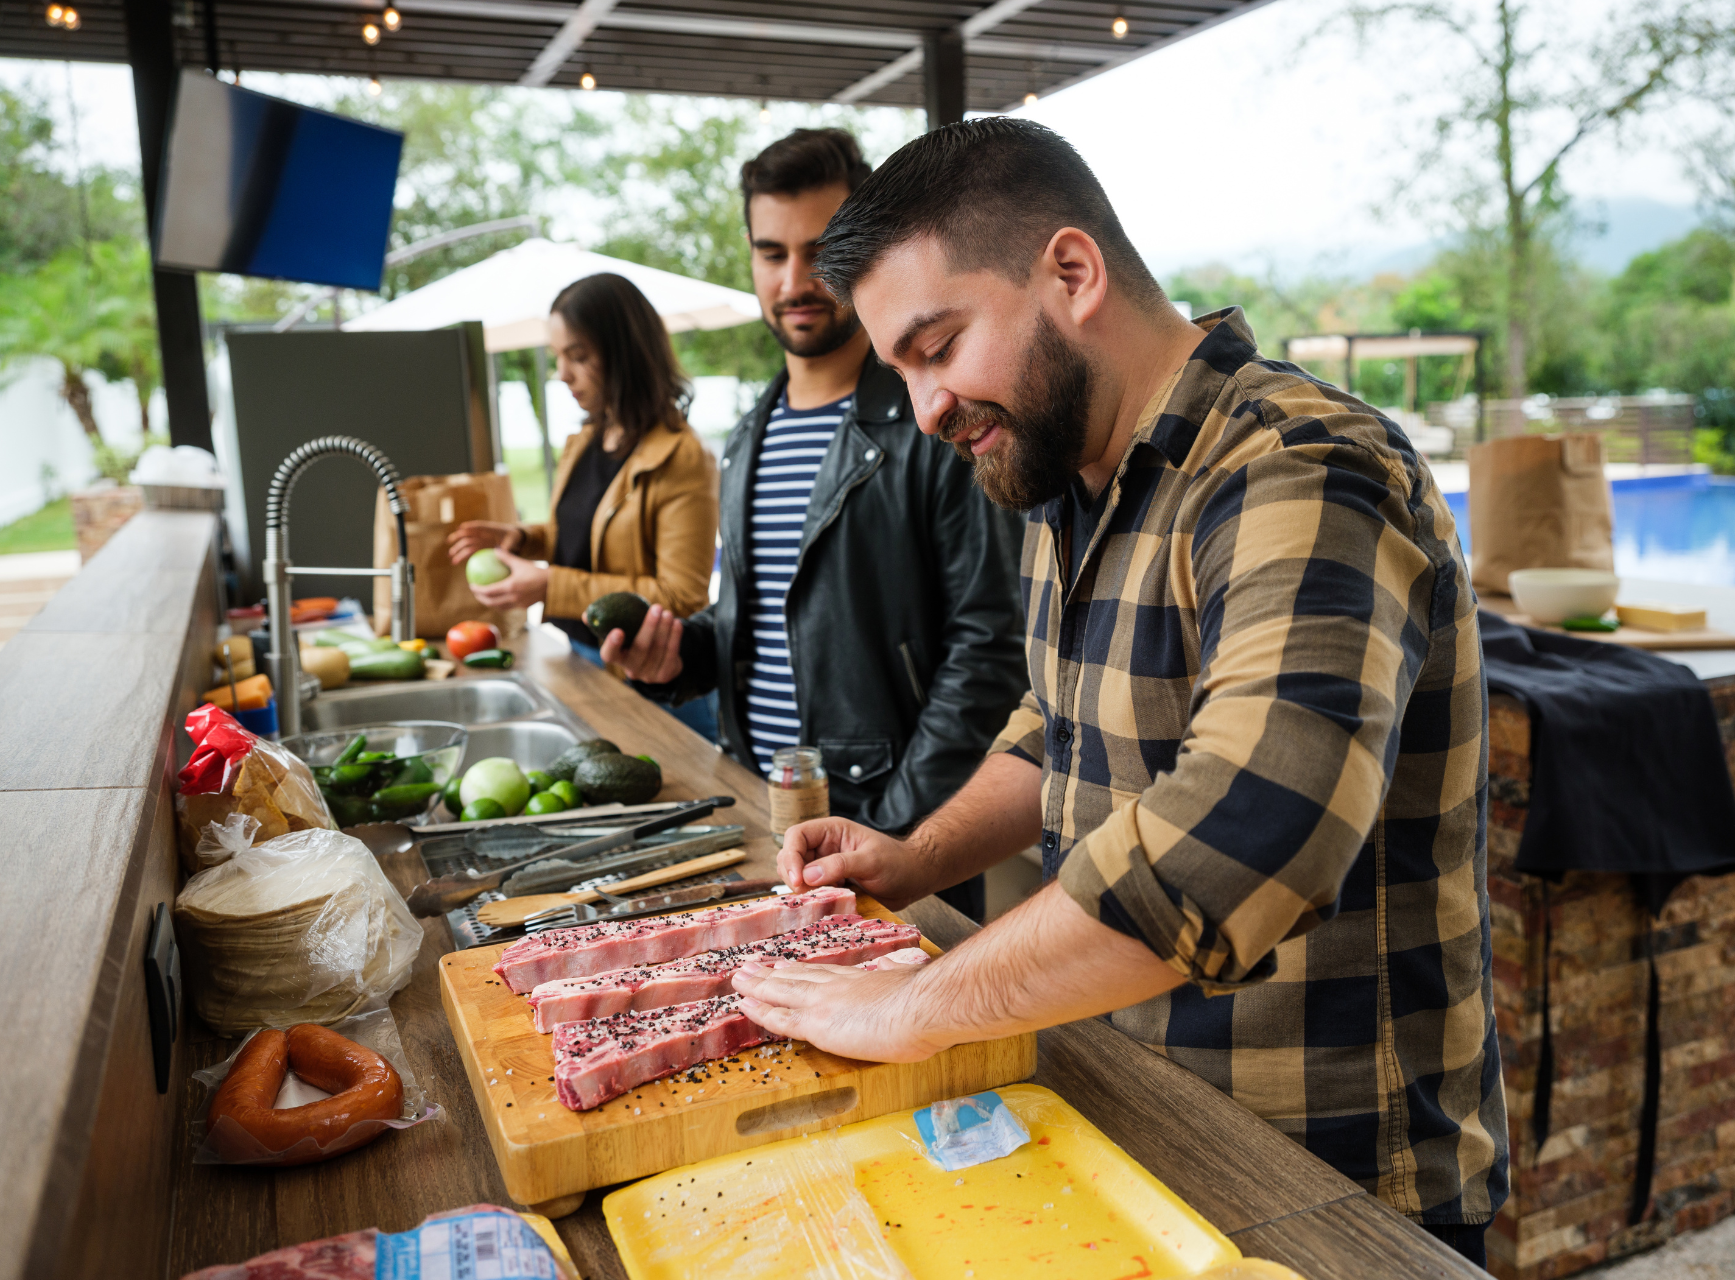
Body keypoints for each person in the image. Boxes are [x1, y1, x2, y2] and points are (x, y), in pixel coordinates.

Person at [726, 119, 1509, 1266]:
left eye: (939, 345)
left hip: (1330, 1181)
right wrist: (914, 857)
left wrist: (910, 1004)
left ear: (1073, 273)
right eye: (904, 370)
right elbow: (1057, 728)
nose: (930, 407)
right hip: (1135, 1122)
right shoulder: (1067, 475)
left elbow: (1248, 830)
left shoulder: (1300, 466)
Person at [598, 129, 1028, 922]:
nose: (794, 280)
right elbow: (762, 620)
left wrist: (894, 830)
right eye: (771, 253)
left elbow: (991, 650)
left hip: (894, 830)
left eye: (820, 248)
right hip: (761, 817)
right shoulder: (747, 432)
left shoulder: (935, 420)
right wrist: (682, 656)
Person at [450, 273, 721, 736]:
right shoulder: (587, 439)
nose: (561, 372)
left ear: (626, 355)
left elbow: (682, 597)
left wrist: (549, 586)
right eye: (558, 355)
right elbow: (583, 535)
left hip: (651, 682)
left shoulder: (684, 458)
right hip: (581, 659)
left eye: (578, 356)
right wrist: (523, 538)